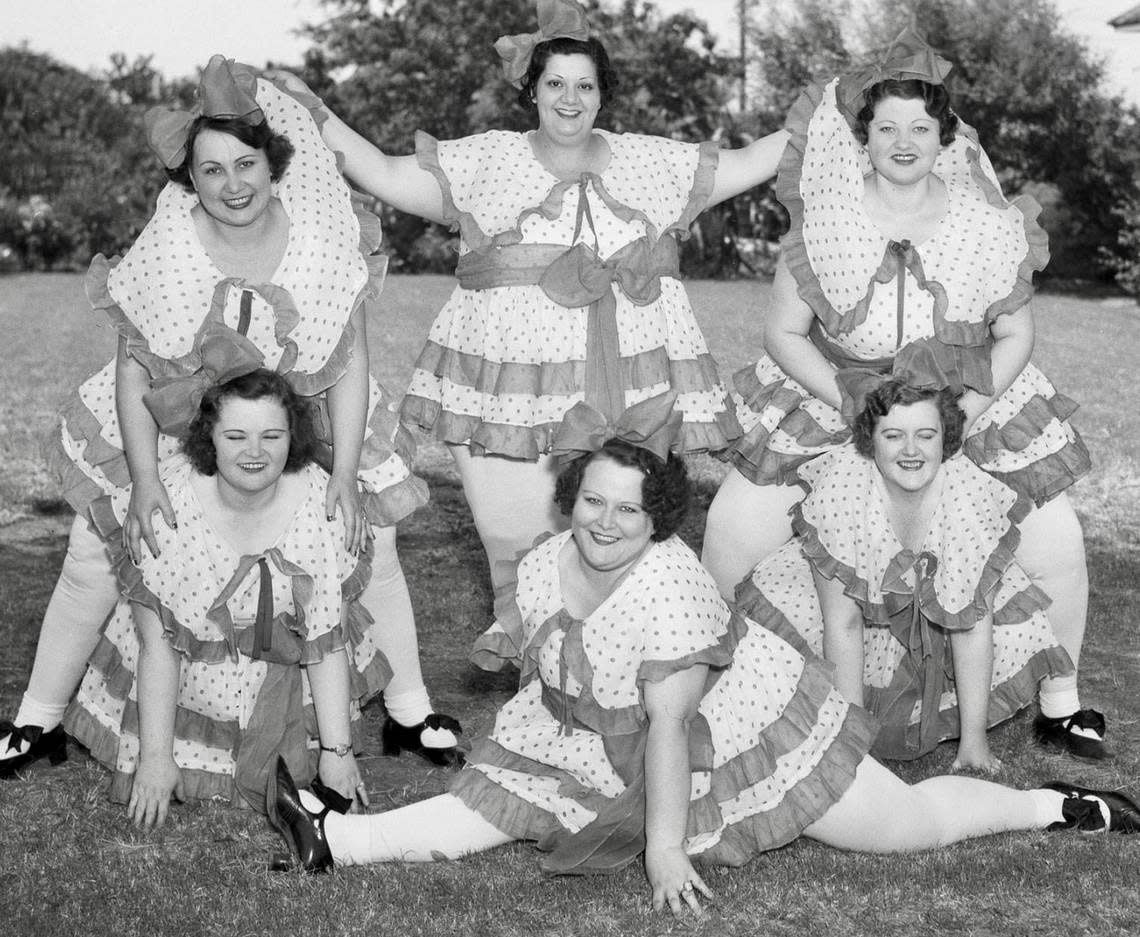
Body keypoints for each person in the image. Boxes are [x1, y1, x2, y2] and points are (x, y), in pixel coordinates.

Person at [263, 397, 1139, 915]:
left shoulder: (671, 587)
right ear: (570, 498)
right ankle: (335, 836)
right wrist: (561, 749)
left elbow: (674, 724)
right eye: (591, 502)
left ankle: (1050, 807)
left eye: (629, 513)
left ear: (659, 522)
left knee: (905, 830)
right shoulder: (542, 562)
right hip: (595, 721)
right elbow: (555, 667)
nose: (604, 523)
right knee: (499, 800)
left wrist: (664, 849)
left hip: (736, 722)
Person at [1, 55, 461, 779]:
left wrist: (343, 473)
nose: (233, 185)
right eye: (211, 171)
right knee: (97, 546)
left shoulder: (319, 236)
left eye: (246, 164)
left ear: (274, 162)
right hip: (184, 412)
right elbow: (133, 368)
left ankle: (409, 707)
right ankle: (40, 715)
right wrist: (146, 477)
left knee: (369, 540)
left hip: (301, 413)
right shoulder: (171, 241)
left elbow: (349, 362)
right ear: (189, 178)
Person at [267, 0, 789, 593]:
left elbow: (750, 161)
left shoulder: (653, 161)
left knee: (628, 549)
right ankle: (533, 671)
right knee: (515, 554)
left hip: (633, 383)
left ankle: (620, 673)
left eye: (585, 85)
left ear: (602, 94)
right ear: (533, 91)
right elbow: (385, 173)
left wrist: (834, 109)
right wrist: (313, 106)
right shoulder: (487, 160)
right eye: (556, 83)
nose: (570, 98)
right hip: (509, 389)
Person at [701, 29, 1103, 759]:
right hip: (844, 391)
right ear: (865, 137)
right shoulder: (825, 220)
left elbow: (1015, 336)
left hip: (970, 395)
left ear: (944, 134)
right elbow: (783, 335)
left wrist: (962, 418)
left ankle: (1062, 700)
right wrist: (849, 398)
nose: (904, 140)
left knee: (1056, 537)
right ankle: (715, 679)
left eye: (920, 126)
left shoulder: (986, 222)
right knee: (736, 521)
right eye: (886, 127)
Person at [66, 371, 382, 826]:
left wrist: (338, 753)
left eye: (272, 435)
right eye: (235, 436)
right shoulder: (170, 507)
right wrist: (156, 759)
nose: (254, 452)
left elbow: (325, 642)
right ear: (208, 439)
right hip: (191, 665)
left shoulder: (322, 505)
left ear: (294, 437)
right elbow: (160, 647)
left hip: (290, 663)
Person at [736, 378, 1073, 770]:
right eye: (893, 435)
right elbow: (843, 625)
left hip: (937, 605)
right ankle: (843, 728)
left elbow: (970, 627)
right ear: (869, 440)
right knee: (794, 631)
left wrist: (974, 744)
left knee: (1012, 630)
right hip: (852, 608)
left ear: (945, 440)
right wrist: (853, 746)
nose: (911, 450)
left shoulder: (968, 496)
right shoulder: (842, 489)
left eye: (925, 435)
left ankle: (955, 723)